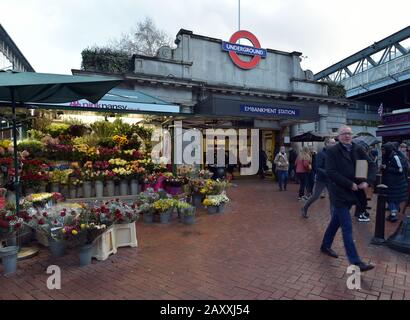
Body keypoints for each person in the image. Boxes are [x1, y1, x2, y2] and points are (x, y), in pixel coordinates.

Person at [321, 125, 376, 272]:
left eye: (349, 134)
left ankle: (325, 245)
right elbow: (331, 172)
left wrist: (367, 181)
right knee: (347, 227)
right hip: (339, 193)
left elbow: (371, 165)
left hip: (354, 192)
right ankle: (356, 261)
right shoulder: (333, 151)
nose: (347, 136)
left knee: (336, 222)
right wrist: (349, 183)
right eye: (344, 134)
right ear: (339, 136)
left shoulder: (358, 149)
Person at [301, 137, 336, 218]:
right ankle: (305, 207)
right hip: (321, 179)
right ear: (326, 144)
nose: (334, 144)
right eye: (332, 143)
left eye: (334, 143)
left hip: (331, 179)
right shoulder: (321, 154)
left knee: (332, 197)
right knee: (315, 196)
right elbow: (317, 167)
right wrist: (327, 172)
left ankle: (333, 217)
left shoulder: (334, 154)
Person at [381, 143, 408, 222]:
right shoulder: (386, 156)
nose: (382, 151)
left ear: (388, 149)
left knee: (391, 199)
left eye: (384, 149)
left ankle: (393, 214)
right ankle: (394, 213)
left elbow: (400, 170)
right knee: (392, 198)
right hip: (389, 182)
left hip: (397, 183)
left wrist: (387, 168)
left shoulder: (395, 157)